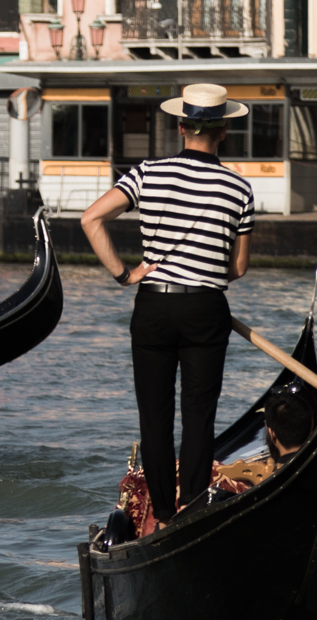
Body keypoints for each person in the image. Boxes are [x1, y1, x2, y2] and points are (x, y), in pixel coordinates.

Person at [82, 83, 255, 526]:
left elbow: (91, 219)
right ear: (223, 132)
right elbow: (238, 267)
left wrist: (124, 274)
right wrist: (207, 269)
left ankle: (161, 514)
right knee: (199, 417)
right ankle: (192, 513)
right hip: (204, 310)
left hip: (154, 307)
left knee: (154, 417)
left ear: (180, 126)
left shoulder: (146, 173)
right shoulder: (239, 188)